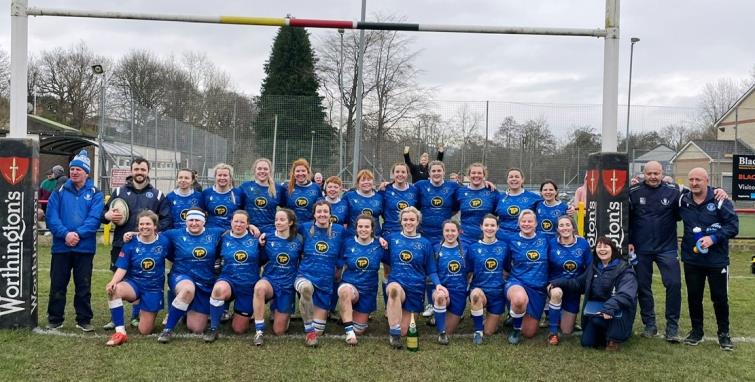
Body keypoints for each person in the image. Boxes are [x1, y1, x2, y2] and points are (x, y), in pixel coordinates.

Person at [628, 160, 726, 342]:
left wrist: (718, 189)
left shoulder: (675, 191)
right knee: (643, 286)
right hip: (641, 248)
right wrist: (629, 240)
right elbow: (627, 217)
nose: (653, 177)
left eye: (656, 173)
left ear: (663, 173)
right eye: (649, 173)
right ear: (644, 174)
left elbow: (700, 190)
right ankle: (649, 324)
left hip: (667, 248)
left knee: (673, 285)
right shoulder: (633, 192)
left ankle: (672, 327)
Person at [102, 157, 171, 329]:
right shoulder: (118, 192)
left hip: (148, 246)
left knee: (144, 276)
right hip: (122, 243)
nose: (139, 172)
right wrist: (107, 216)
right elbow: (103, 215)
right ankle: (115, 318)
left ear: (148, 172)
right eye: (136, 169)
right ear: (131, 171)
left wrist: (148, 232)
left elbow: (166, 219)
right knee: (118, 279)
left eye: (142, 169)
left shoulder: (157, 195)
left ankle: (136, 315)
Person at [678, 167, 739, 351]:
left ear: (707, 181)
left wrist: (713, 238)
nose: (694, 183)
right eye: (691, 180)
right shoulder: (683, 200)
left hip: (717, 260)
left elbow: (733, 227)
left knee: (719, 298)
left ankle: (724, 333)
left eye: (698, 179)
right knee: (694, 297)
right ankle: (697, 331)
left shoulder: (720, 200)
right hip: (692, 259)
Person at [45, 150, 104, 331]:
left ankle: (84, 319)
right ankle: (55, 319)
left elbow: (94, 219)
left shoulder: (95, 193)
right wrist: (65, 234)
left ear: (86, 173)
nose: (75, 172)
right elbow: (51, 216)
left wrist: (77, 234)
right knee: (57, 284)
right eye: (72, 169)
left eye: (79, 169)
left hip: (84, 248)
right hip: (61, 247)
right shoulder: (59, 190)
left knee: (83, 285)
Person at [549, 236, 638, 351]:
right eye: (599, 246)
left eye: (606, 246)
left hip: (616, 312)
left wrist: (608, 308)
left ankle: (615, 337)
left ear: (613, 249)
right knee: (587, 343)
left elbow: (626, 295)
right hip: (597, 312)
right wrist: (557, 282)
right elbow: (578, 283)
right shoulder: (594, 267)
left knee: (605, 323)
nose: (602, 249)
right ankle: (605, 334)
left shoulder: (625, 269)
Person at [157, 208, 226, 343]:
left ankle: (184, 311)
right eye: (191, 220)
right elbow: (153, 235)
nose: (194, 223)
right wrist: (131, 234)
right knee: (188, 289)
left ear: (204, 221)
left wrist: (251, 227)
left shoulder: (216, 232)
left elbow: (236, 229)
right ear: (186, 221)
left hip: (205, 282)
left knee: (197, 328)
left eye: (197, 220)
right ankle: (167, 330)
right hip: (181, 276)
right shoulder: (174, 234)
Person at [105, 210, 171, 346]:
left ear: (155, 226)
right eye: (141, 224)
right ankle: (120, 332)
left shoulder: (164, 241)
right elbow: (122, 267)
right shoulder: (130, 244)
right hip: (134, 284)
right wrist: (113, 281)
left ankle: (143, 305)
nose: (144, 227)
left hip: (153, 288)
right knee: (114, 290)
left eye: (148, 224)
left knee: (145, 330)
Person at [383, 207, 446, 348]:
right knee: (393, 290)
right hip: (397, 282)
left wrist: (438, 284)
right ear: (401, 221)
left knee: (405, 331)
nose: (408, 222)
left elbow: (431, 269)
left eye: (412, 219)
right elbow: (381, 255)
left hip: (416, 288)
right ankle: (394, 335)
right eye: (405, 219)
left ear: (418, 222)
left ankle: (399, 325)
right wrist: (378, 239)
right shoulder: (392, 239)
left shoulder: (425, 243)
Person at [204, 210, 263, 342]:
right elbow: (216, 256)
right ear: (231, 222)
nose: (238, 224)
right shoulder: (223, 237)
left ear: (248, 224)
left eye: (242, 222)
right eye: (236, 221)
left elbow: (263, 258)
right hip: (228, 280)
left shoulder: (256, 238)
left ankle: (241, 313)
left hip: (248, 286)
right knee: (219, 289)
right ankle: (213, 328)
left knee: (239, 329)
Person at [295, 201, 346, 347]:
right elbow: (285, 229)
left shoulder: (339, 230)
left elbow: (345, 249)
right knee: (306, 288)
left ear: (330, 214)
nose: (322, 214)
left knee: (319, 330)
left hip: (325, 281)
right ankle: (309, 333)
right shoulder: (305, 227)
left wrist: (339, 267)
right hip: (305, 275)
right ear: (314, 214)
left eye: (325, 211)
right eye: (319, 211)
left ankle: (313, 328)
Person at [252, 209, 303, 346]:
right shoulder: (267, 237)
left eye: (282, 220)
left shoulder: (299, 239)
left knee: (279, 331)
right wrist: (260, 245)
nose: (278, 222)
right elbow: (261, 260)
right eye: (276, 220)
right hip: (271, 280)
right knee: (259, 288)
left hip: (287, 285)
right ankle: (259, 331)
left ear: (290, 222)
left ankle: (280, 311)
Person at [337, 214, 386, 345]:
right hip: (350, 285)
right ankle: (349, 332)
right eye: (360, 226)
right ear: (356, 228)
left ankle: (348, 314)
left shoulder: (380, 245)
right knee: (344, 292)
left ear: (372, 229)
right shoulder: (347, 243)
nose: (363, 229)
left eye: (366, 227)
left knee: (359, 329)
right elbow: (338, 265)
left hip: (368, 291)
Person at [505, 209, 550, 345]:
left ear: (536, 223)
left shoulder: (544, 239)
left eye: (530, 221)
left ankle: (516, 315)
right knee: (519, 299)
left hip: (538, 289)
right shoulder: (511, 240)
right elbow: (506, 264)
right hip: (517, 282)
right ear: (519, 223)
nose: (526, 224)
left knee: (529, 333)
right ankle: (516, 329)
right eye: (523, 221)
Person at [545, 215, 591, 345]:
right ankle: (553, 333)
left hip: (573, 288)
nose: (565, 228)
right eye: (561, 225)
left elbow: (589, 268)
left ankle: (558, 316)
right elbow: (545, 265)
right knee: (556, 293)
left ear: (573, 227)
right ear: (557, 229)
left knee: (566, 331)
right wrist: (547, 283)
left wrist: (580, 284)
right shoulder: (551, 244)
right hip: (555, 285)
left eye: (567, 225)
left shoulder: (583, 243)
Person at [467, 214, 508, 345]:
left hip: (497, 293)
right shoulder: (473, 248)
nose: (489, 228)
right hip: (480, 289)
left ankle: (486, 319)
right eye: (486, 225)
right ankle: (477, 332)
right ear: (481, 227)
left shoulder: (504, 247)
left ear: (497, 228)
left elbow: (508, 269)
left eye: (492, 225)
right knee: (476, 295)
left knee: (489, 331)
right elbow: (468, 271)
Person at [456, 163, 498, 246]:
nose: (476, 175)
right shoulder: (460, 192)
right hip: (465, 238)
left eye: (479, 173)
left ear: (484, 175)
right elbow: (452, 211)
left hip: (486, 238)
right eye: (473, 173)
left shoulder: (492, 192)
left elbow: (499, 214)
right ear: (468, 175)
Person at [239, 158, 286, 233]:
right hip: (248, 229)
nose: (262, 171)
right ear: (255, 170)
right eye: (259, 169)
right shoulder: (245, 187)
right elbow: (238, 210)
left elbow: (287, 210)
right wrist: (248, 225)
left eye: (265, 169)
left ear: (270, 171)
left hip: (270, 231)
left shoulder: (279, 189)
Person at [495, 168, 541, 239]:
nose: (514, 179)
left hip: (524, 240)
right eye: (511, 177)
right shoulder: (499, 198)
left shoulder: (534, 198)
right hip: (502, 239)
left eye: (517, 177)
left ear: (522, 180)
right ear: (507, 180)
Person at [381, 163, 419, 239]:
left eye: (403, 172)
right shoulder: (385, 189)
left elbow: (418, 208)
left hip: (409, 231)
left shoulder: (414, 190)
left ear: (407, 174)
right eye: (397, 172)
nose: (400, 174)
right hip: (390, 231)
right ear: (393, 174)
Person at [344, 169, 384, 237]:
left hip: (375, 237)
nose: (366, 182)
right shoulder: (349, 196)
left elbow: (387, 217)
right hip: (353, 237)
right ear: (358, 183)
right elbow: (344, 219)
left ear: (373, 181)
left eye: (369, 180)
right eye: (363, 180)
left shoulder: (380, 197)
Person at [201, 163, 242, 230]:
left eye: (225, 175)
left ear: (230, 177)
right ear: (215, 177)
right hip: (211, 231)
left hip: (231, 232)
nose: (222, 178)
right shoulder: (206, 193)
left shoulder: (238, 193)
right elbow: (202, 212)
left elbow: (243, 213)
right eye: (219, 175)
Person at [284, 158, 321, 225]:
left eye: (303, 171)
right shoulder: (286, 187)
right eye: (298, 171)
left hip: (309, 228)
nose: (300, 173)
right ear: (294, 173)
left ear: (308, 172)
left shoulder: (316, 188)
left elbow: (320, 209)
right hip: (290, 227)